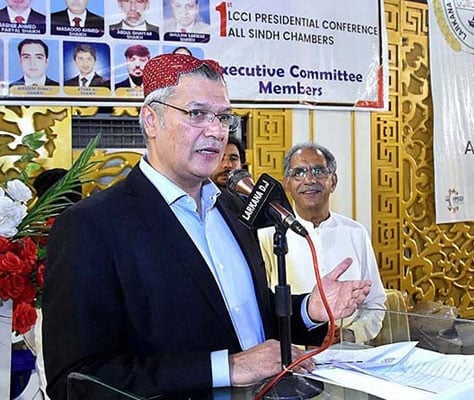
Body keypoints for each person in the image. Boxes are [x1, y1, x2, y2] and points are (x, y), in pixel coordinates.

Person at [42, 53, 371, 400]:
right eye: (197, 114)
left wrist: (308, 309)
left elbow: (243, 317)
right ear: (151, 120)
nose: (216, 131)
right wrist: (226, 368)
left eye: (224, 117)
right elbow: (76, 380)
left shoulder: (233, 208)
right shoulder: (90, 226)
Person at [258, 143, 387, 345]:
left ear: (333, 181)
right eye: (299, 173)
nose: (309, 180)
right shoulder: (268, 236)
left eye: (318, 171)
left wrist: (350, 335)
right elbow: (260, 310)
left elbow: (376, 303)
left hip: (348, 357)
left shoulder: (355, 232)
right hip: (293, 360)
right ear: (287, 185)